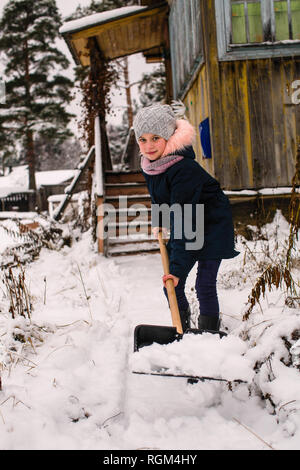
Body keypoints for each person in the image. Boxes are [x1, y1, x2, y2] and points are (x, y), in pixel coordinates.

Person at [133, 104, 239, 333]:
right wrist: (159, 220)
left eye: (155, 138)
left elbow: (184, 220)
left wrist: (178, 270)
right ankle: (182, 332)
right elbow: (159, 197)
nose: (148, 146)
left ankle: (208, 335)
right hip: (189, 221)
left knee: (204, 285)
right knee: (171, 285)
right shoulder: (151, 164)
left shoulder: (183, 169)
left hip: (212, 226)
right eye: (142, 139)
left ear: (169, 136)